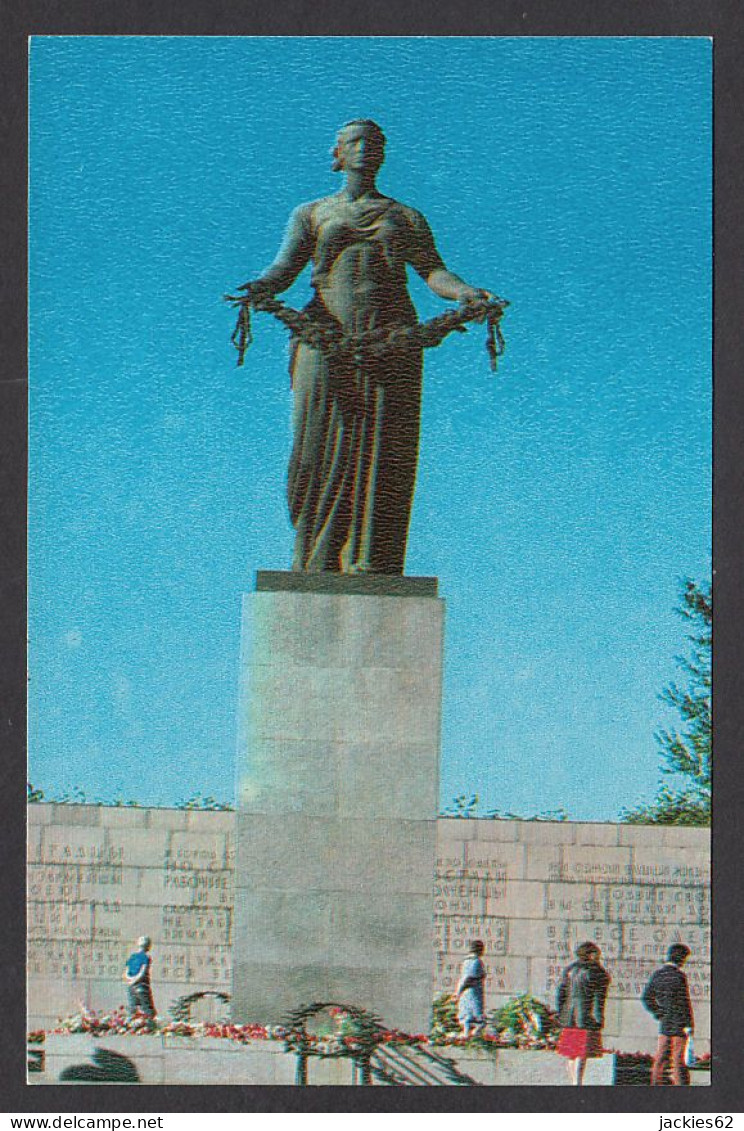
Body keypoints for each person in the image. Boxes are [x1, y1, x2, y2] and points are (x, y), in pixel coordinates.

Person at [238, 119, 494, 575]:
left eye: (374, 143)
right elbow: (284, 268)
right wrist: (259, 287)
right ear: (338, 153)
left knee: (386, 446)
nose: (365, 149)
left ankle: (373, 561)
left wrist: (466, 293)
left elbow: (434, 272)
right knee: (315, 446)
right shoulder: (312, 213)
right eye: (355, 142)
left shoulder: (407, 216)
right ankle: (314, 561)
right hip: (324, 337)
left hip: (391, 338)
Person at [555, 941, 611, 1086]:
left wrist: (561, 1014)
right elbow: (599, 999)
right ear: (592, 954)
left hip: (569, 1015)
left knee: (572, 1054)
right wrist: (599, 1019)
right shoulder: (597, 972)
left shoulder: (569, 970)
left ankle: (573, 1080)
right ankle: (578, 1082)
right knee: (581, 1052)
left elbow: (561, 994)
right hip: (585, 1015)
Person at [641, 943, 694, 1086]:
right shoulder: (679, 976)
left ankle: (655, 1083)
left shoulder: (658, 974)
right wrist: (689, 1024)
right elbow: (684, 1002)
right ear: (681, 958)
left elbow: (646, 997)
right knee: (677, 1058)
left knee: (660, 1057)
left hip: (665, 1021)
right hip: (679, 1021)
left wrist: (659, 1013)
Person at [455, 939, 487, 1038]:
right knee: (474, 1013)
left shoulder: (467, 961)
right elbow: (467, 978)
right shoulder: (475, 961)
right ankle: (470, 1033)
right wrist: (459, 991)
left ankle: (469, 1033)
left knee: (469, 1014)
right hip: (472, 991)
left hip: (471, 990)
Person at [123, 935, 156, 1026]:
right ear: (148, 946)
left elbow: (126, 972)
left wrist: (130, 981)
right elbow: (143, 972)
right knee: (147, 1009)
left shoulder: (132, 956)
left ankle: (132, 1025)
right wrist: (136, 980)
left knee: (133, 1007)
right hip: (142, 986)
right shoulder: (146, 957)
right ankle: (150, 1026)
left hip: (131, 986)